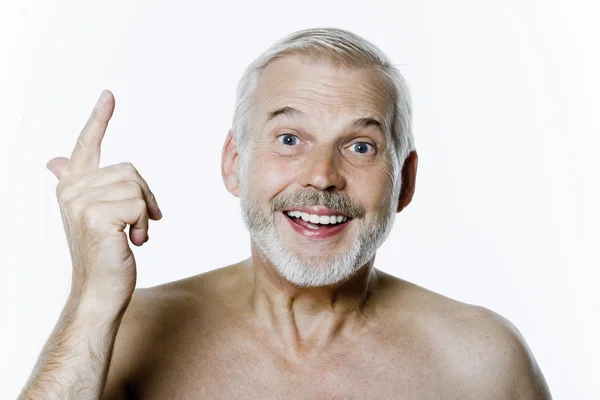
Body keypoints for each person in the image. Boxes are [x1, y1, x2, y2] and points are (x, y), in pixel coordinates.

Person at [19, 28, 552, 399]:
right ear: (234, 163)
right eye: (290, 138)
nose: (322, 175)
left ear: (405, 181)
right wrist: (90, 300)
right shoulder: (127, 336)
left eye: (361, 146)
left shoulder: (482, 362)